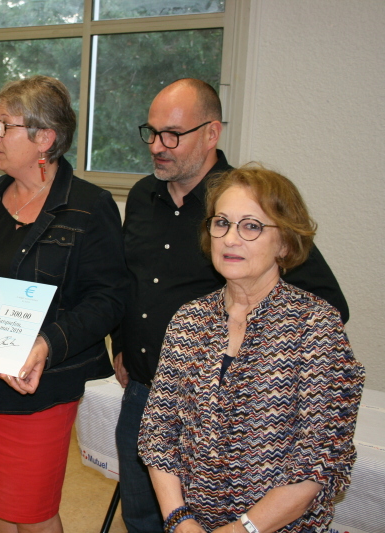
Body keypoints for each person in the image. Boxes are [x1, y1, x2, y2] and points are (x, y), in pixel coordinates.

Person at [111, 78, 348, 533]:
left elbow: (328, 305)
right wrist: (123, 343)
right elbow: (127, 280)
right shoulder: (142, 198)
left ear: (211, 133)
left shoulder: (248, 201)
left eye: (172, 135)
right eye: (152, 133)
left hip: (245, 411)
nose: (157, 146)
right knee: (141, 518)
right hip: (146, 393)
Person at [0, 76, 130, 533]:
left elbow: (108, 299)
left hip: (38, 385)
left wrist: (46, 343)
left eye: (4, 125)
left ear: (44, 138)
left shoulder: (89, 206)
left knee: (31, 507)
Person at [138, 165, 364, 532]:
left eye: (251, 226)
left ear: (285, 243)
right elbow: (158, 432)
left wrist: (240, 530)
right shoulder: (189, 319)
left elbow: (317, 463)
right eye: (222, 223)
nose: (230, 239)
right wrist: (179, 520)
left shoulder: (315, 326)